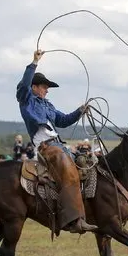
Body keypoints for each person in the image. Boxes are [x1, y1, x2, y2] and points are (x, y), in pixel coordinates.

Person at [16, 49, 98, 235]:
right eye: (44, 87)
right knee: (67, 168)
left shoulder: (48, 105)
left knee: (84, 164)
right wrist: (34, 62)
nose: (46, 90)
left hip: (58, 144)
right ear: (35, 87)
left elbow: (63, 120)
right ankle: (73, 220)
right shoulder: (26, 99)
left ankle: (90, 211)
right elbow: (23, 85)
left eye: (47, 88)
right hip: (46, 147)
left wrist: (80, 111)